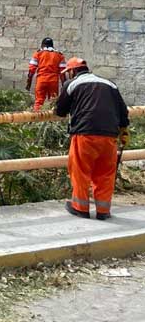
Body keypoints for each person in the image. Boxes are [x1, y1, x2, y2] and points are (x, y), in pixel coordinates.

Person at [55, 57, 129, 220]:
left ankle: (80, 208)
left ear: (73, 71)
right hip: (109, 135)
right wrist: (124, 131)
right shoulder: (110, 84)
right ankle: (103, 211)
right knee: (105, 173)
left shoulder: (72, 85)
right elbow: (123, 111)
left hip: (85, 134)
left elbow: (60, 111)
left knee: (80, 171)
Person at [26, 38, 66, 111]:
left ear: (42, 45)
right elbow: (62, 72)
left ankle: (36, 118)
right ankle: (51, 120)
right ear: (52, 45)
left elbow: (31, 70)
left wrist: (29, 83)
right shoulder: (59, 55)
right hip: (53, 81)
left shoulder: (38, 53)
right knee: (53, 102)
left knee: (39, 101)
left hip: (41, 81)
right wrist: (64, 85)